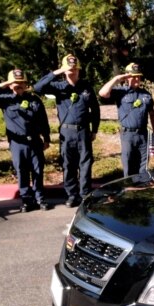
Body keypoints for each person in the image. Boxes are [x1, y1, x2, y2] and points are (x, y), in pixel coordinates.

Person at [34, 54, 100, 207]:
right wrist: (56, 72)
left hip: (83, 131)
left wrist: (94, 130)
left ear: (78, 70)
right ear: (64, 71)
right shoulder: (58, 87)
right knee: (68, 164)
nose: (73, 71)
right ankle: (71, 195)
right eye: (69, 69)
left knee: (85, 164)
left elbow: (95, 109)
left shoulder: (86, 86)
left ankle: (85, 194)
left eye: (75, 69)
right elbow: (38, 88)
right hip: (66, 132)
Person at [0, 69, 51, 212]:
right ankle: (26, 200)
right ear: (11, 85)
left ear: (25, 84)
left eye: (21, 83)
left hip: (34, 141)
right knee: (21, 171)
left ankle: (40, 198)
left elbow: (43, 120)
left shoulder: (34, 99)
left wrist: (46, 138)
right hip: (18, 143)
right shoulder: (5, 99)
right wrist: (5, 84)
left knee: (38, 170)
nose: (19, 86)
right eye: (16, 83)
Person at [99, 62, 154, 176]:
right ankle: (130, 192)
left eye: (138, 76)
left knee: (143, 168)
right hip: (127, 135)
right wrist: (117, 78)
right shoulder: (120, 92)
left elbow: (152, 114)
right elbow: (103, 93)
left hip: (143, 135)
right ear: (127, 77)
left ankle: (141, 191)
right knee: (129, 167)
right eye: (133, 76)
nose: (136, 79)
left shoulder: (146, 94)